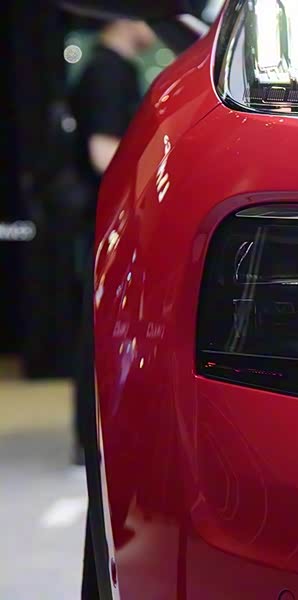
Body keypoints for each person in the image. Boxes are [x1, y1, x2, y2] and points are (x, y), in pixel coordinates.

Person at [70, 18, 156, 465]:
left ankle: (95, 440)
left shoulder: (107, 68)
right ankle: (95, 442)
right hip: (106, 220)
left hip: (101, 219)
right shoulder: (109, 71)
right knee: (102, 332)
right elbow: (104, 154)